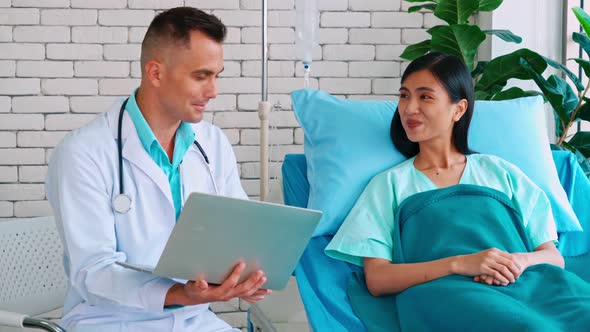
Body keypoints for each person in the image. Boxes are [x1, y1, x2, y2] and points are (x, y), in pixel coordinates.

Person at [325, 52, 590, 330]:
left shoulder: (501, 172)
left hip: (526, 284)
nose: (409, 108)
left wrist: (512, 263)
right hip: (447, 293)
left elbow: (552, 257)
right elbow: (378, 280)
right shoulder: (389, 185)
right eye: (404, 96)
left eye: (425, 97)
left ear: (458, 109)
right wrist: (461, 264)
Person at [46, 7, 270, 332]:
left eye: (216, 75)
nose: (213, 92)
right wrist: (180, 293)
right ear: (155, 73)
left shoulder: (212, 143)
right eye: (200, 76)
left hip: (194, 320)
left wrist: (243, 276)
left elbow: (238, 231)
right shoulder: (83, 153)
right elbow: (93, 272)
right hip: (112, 322)